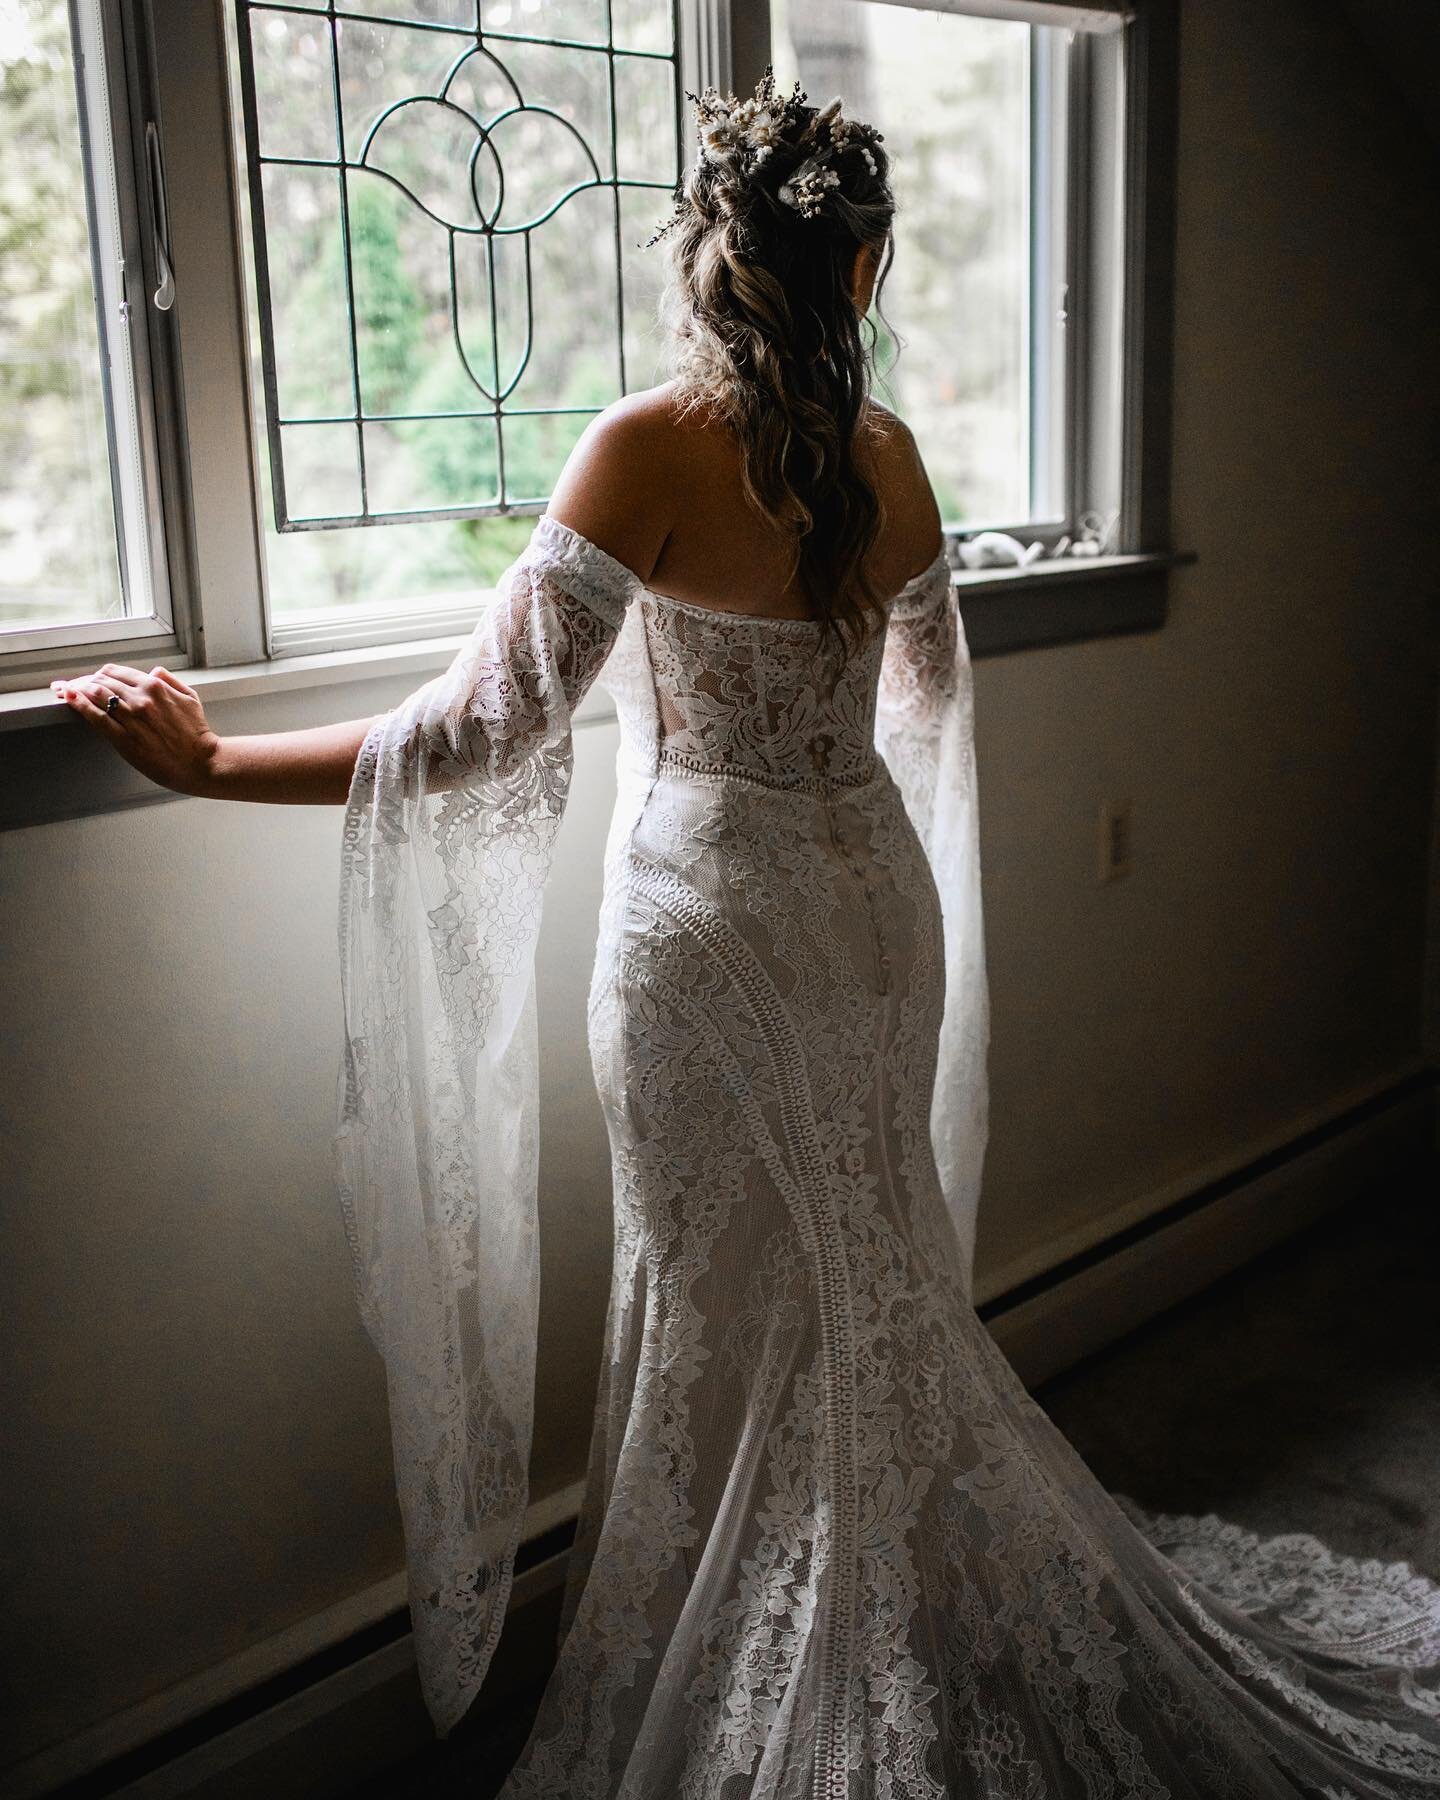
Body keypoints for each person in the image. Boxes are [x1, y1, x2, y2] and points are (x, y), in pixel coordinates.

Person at [53, 68, 1439, 1800]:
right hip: (871, 906)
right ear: (858, 273)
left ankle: (772, 1656)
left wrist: (212, 762)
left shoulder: (643, 447)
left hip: (707, 931)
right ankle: (874, 1611)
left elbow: (488, 730)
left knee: (718, 1298)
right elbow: (921, 695)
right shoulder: (895, 461)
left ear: (705, 260)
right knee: (877, 1283)